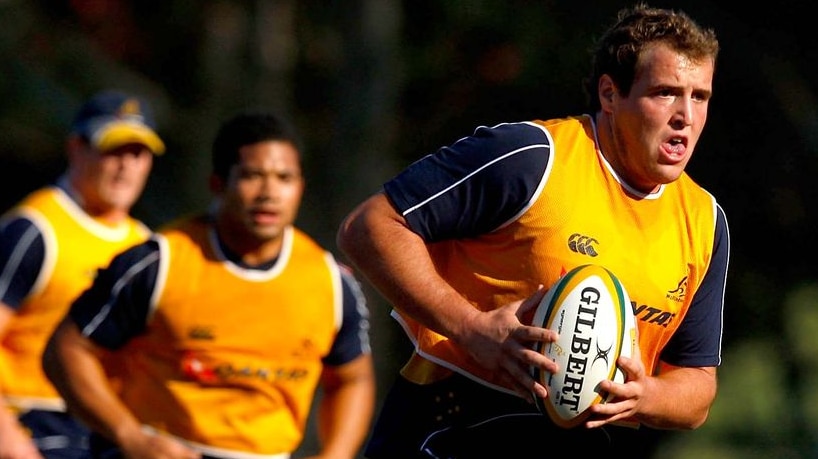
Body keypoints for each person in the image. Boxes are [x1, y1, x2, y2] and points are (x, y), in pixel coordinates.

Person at [336, 3, 729, 458]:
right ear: (609, 94)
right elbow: (369, 226)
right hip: (448, 428)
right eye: (664, 92)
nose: (685, 114)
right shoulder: (532, 159)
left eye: (699, 96)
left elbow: (698, 387)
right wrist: (473, 329)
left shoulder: (704, 221)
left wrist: (647, 396)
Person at [42, 111, 376, 459]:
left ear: (301, 187)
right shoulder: (159, 262)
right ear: (218, 184)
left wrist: (336, 453)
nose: (269, 192)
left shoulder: (330, 281)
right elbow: (66, 351)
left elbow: (352, 379)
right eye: (251, 176)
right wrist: (131, 437)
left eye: (284, 178)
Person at [0, 89, 164, 459]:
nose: (126, 167)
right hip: (34, 421)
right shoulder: (34, 231)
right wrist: (10, 440)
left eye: (137, 154)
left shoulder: (145, 246)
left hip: (104, 428)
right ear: (76, 148)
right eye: (113, 150)